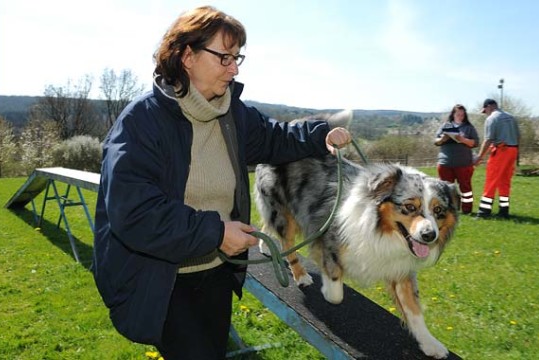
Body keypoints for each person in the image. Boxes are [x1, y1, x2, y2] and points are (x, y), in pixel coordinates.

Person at [91, 6, 351, 360]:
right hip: (163, 280)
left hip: (216, 272)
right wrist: (216, 233)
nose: (235, 67)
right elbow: (136, 214)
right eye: (224, 57)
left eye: (238, 57)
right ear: (186, 56)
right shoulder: (141, 123)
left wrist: (320, 134)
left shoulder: (232, 113)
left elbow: (276, 137)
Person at [473, 99, 520, 219]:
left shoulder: (492, 119)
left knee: (491, 180)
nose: (486, 114)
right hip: (513, 150)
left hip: (501, 151)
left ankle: (484, 212)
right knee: (505, 181)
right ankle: (504, 211)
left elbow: (488, 140)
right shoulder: (511, 117)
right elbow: (518, 136)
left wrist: (479, 157)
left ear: (488, 107)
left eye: (485, 111)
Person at [434, 104, 479, 214]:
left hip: (463, 164)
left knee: (466, 189)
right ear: (453, 114)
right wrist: (443, 139)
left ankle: (467, 210)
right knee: (445, 189)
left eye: (462, 115)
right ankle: (447, 210)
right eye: (458, 114)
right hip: (446, 163)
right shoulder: (446, 125)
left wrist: (462, 139)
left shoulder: (469, 127)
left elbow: (475, 142)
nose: (460, 116)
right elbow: (435, 141)